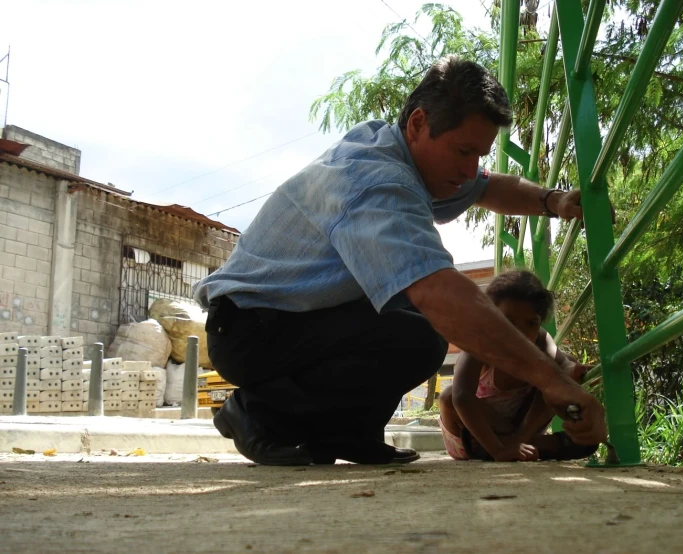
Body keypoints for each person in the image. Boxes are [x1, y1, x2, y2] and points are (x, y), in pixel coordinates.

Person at [193, 55, 607, 466]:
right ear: (417, 123)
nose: (470, 169)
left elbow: (486, 187)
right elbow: (441, 293)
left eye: (478, 154)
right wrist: (551, 380)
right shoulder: (377, 181)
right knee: (420, 331)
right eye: (464, 151)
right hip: (253, 330)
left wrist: (551, 201)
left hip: (294, 319)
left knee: (405, 314)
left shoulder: (396, 145)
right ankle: (257, 411)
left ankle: (349, 434)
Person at [439, 270, 598, 462]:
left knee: (556, 375)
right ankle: (512, 446)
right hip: (474, 431)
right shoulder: (480, 343)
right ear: (491, 317)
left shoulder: (540, 341)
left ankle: (518, 443)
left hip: (522, 428)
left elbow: (564, 363)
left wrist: (573, 371)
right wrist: (498, 450)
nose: (519, 333)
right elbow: (461, 396)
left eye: (531, 323)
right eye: (507, 321)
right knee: (448, 396)